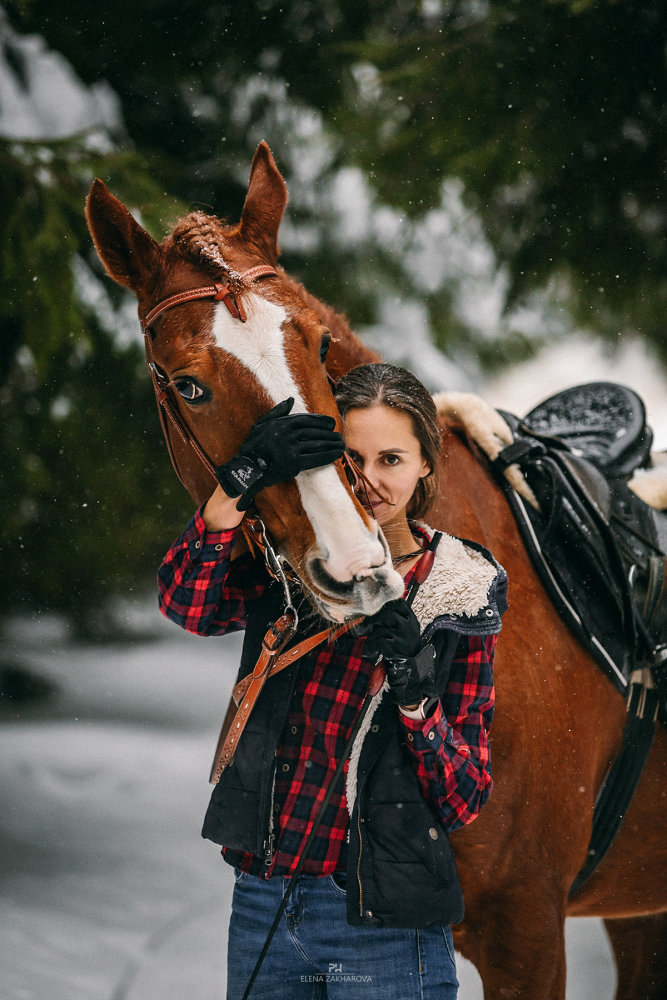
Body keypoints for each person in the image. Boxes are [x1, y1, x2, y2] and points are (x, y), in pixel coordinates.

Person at [158, 363, 507, 1000]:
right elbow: (188, 604)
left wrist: (415, 694)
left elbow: (463, 798)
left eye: (392, 459)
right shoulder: (288, 558)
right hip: (264, 900)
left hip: (381, 921)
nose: (370, 480)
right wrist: (237, 483)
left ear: (427, 463)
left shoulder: (461, 586)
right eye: (352, 457)